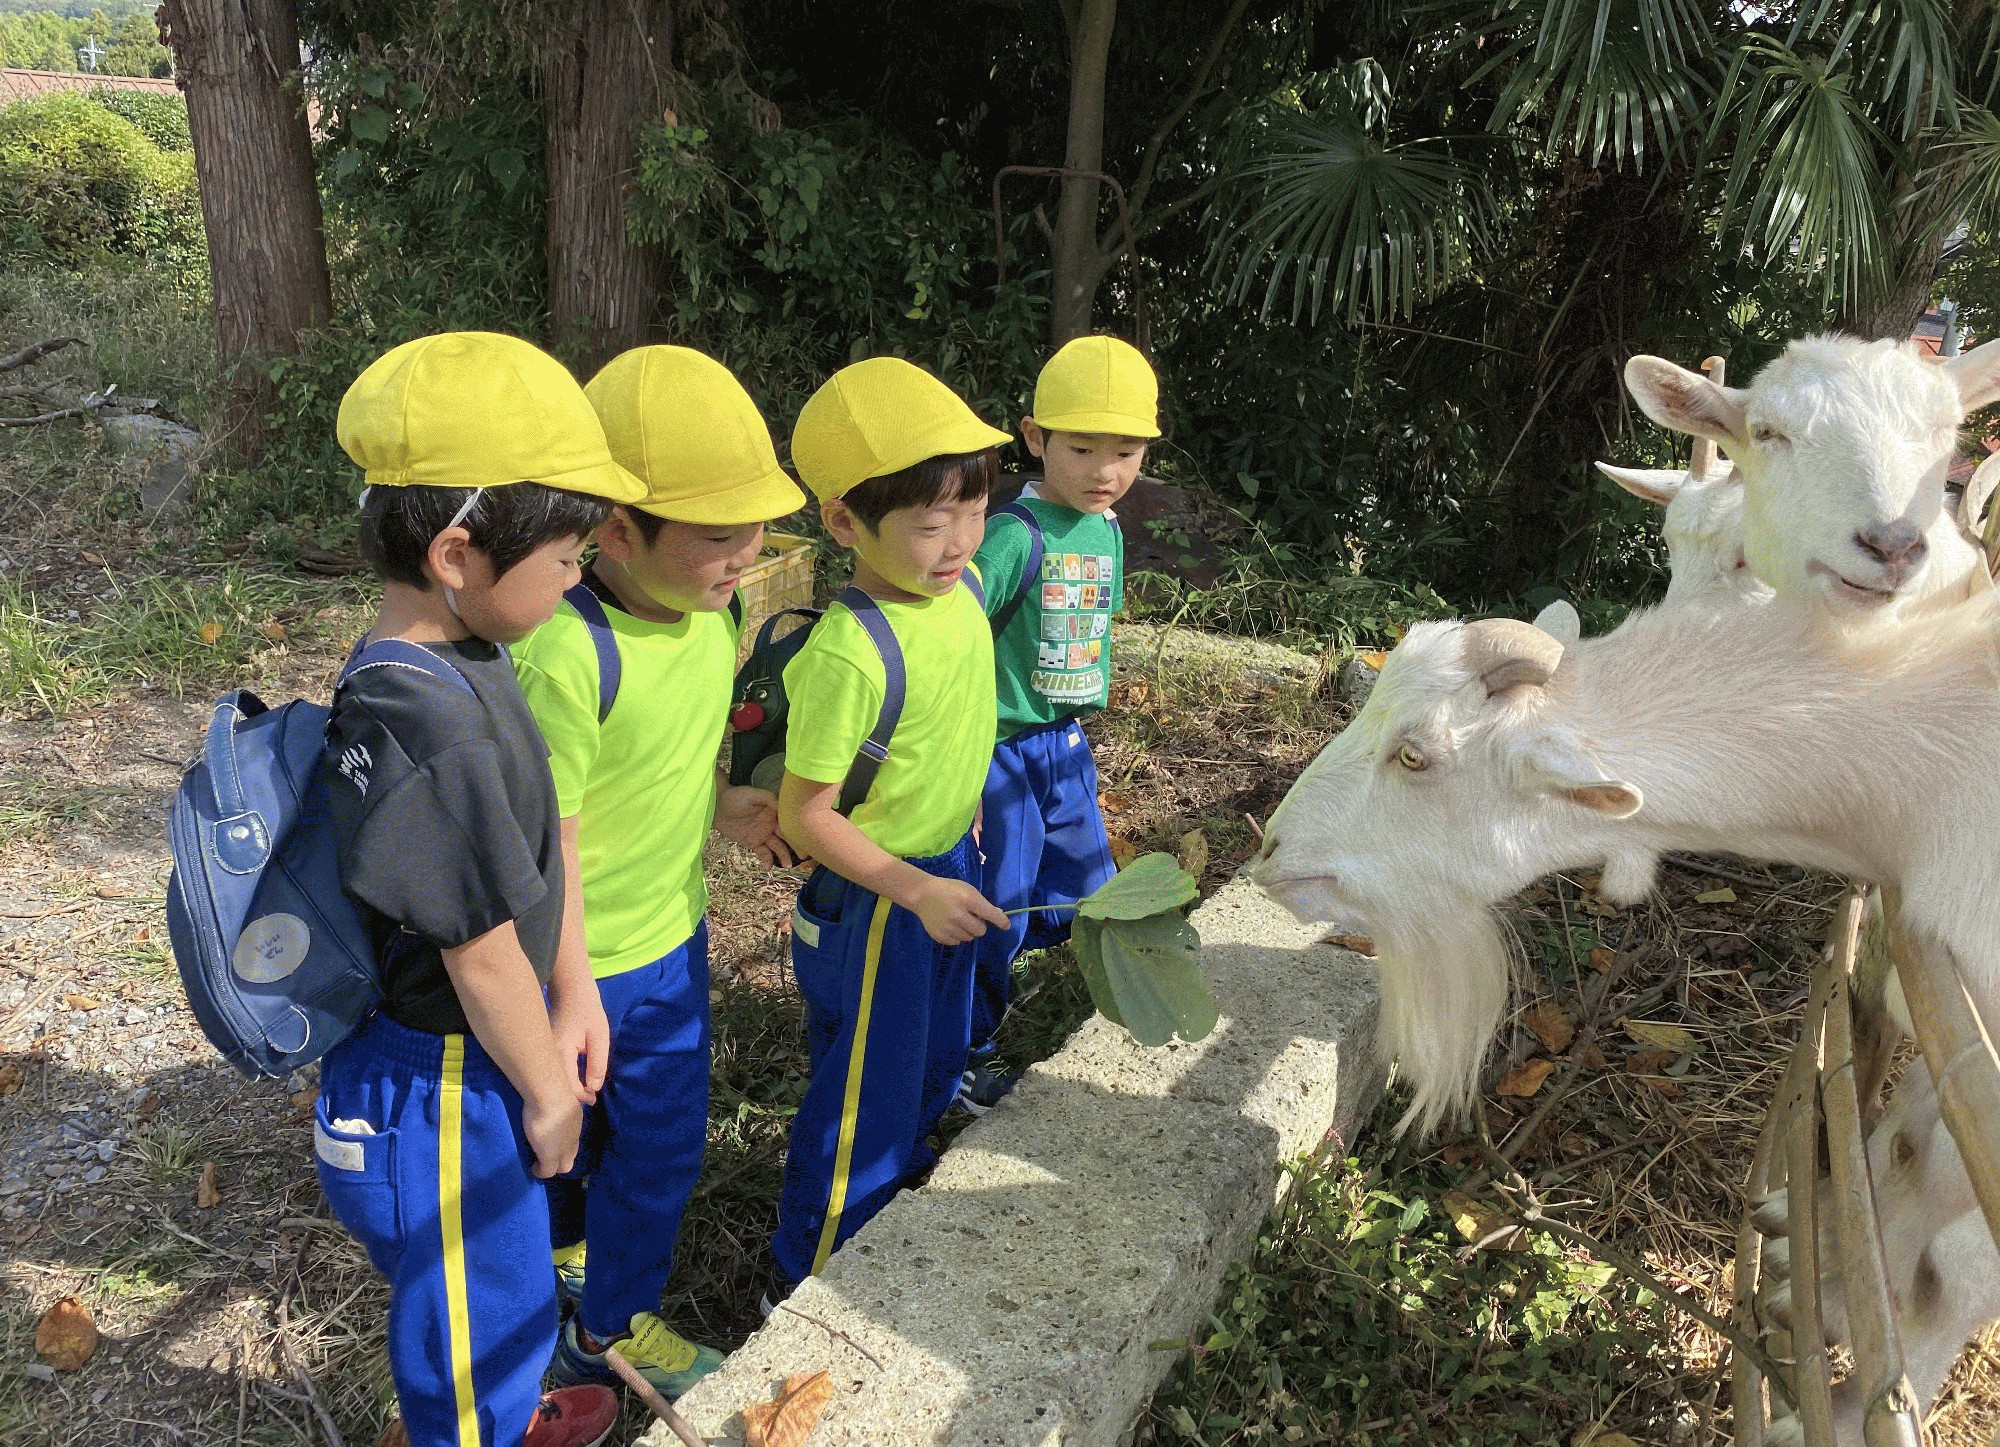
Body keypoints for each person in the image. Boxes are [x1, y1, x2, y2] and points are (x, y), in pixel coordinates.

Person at [314, 331, 648, 1447]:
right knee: (469, 1318)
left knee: (499, 1280)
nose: (577, 578)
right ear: (457, 552)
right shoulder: (427, 722)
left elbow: (535, 851)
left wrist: (576, 988)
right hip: (441, 1081)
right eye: (565, 559)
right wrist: (549, 1090)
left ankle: (506, 1412)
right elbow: (477, 944)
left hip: (483, 1049)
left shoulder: (462, 657)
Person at [510, 345, 806, 1395]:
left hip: (671, 943)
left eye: (752, 528)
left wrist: (722, 804)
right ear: (615, 528)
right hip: (575, 963)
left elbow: (661, 758)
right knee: (562, 1138)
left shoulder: (714, 617)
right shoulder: (564, 656)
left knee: (664, 1144)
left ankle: (609, 1311)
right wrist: (571, 989)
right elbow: (549, 842)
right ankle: (584, 1299)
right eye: (716, 536)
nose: (743, 556)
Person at [767, 357, 1012, 1295]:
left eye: (974, 511)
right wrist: (912, 886)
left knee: (932, 1055)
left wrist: (965, 817)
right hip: (880, 898)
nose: (959, 542)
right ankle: (813, 1274)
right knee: (865, 1090)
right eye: (929, 523)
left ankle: (897, 1191)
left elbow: (958, 721)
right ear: (844, 524)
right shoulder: (851, 653)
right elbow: (806, 814)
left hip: (947, 867)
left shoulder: (966, 591)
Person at [960, 335, 1159, 1111]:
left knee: (1085, 890)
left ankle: (1054, 993)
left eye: (1126, 452)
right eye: (1081, 448)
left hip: (1065, 745)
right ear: (1035, 437)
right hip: (1001, 750)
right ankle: (968, 1050)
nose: (1105, 471)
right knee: (998, 905)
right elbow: (954, 632)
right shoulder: (1016, 534)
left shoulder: (1107, 529)